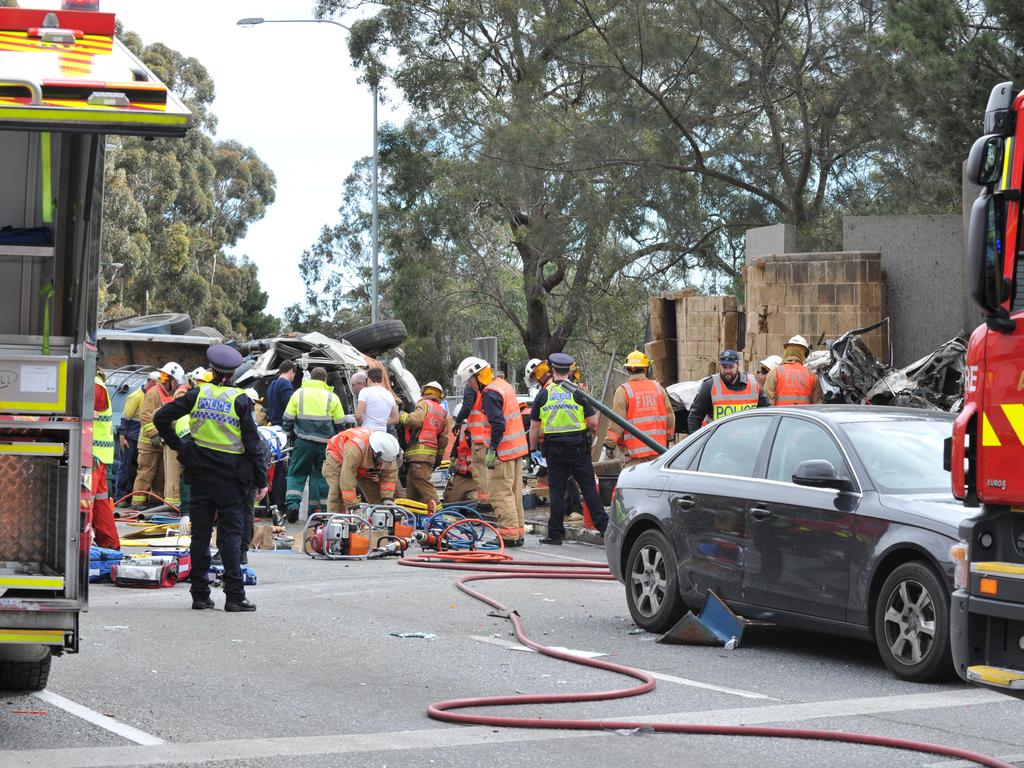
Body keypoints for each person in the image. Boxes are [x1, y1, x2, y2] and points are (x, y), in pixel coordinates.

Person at [154, 345, 267, 612]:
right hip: (231, 479)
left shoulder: (197, 394)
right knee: (230, 536)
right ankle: (234, 597)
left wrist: (180, 448)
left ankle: (200, 595)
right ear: (234, 373)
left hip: (201, 476)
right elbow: (253, 444)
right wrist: (262, 480)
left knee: (200, 537)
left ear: (212, 371)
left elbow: (161, 417)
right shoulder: (241, 401)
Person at [530, 353, 608, 545]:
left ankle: (555, 533)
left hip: (554, 450)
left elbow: (534, 427)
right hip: (578, 448)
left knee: (557, 491)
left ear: (552, 370)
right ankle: (605, 529)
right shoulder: (578, 393)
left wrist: (533, 450)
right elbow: (593, 422)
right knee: (588, 488)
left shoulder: (544, 394)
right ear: (570, 371)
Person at [460, 356, 528, 547]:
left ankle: (508, 535)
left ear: (477, 377)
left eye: (470, 380)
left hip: (502, 453)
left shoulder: (490, 393)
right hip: (515, 451)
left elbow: (498, 424)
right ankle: (517, 532)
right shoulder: (503, 385)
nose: (470, 385)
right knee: (514, 494)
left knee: (500, 494)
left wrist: (492, 449)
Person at [282, 367, 344, 523]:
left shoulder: (299, 394)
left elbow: (287, 419)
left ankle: (293, 505)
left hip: (303, 443)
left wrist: (289, 434)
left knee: (297, 473)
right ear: (324, 381)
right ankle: (321, 511)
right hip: (326, 445)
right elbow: (340, 424)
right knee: (322, 476)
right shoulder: (332, 397)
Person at [604, 350, 675, 466]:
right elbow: (670, 416)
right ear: (646, 368)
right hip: (658, 454)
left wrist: (610, 444)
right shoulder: (658, 388)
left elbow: (617, 422)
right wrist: (668, 438)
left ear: (628, 369)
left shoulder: (623, 391)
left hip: (634, 459)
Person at [131, 362, 184, 509]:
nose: (176, 385)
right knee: (146, 473)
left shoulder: (170, 395)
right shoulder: (154, 392)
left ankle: (156, 501)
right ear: (168, 379)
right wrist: (154, 434)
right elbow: (146, 417)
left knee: (161, 477)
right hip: (149, 443)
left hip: (162, 442)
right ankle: (137, 502)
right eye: (175, 381)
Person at [687, 349, 769, 432]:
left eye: (731, 367)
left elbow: (767, 414)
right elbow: (694, 418)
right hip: (719, 441)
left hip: (749, 440)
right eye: (724, 367)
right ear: (720, 366)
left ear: (738, 365)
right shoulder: (709, 385)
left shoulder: (754, 384)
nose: (727, 371)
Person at [398, 381, 452, 505]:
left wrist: (399, 415)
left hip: (418, 454)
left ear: (425, 392)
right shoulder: (443, 413)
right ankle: (414, 516)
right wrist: (437, 458)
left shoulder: (424, 405)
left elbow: (415, 420)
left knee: (423, 485)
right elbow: (443, 440)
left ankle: (438, 512)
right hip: (428, 456)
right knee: (413, 490)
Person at [323, 426, 399, 511]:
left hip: (363, 461)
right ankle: (337, 520)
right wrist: (354, 507)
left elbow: (389, 476)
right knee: (337, 491)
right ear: (376, 454)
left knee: (375, 493)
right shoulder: (354, 449)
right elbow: (347, 480)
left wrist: (387, 499)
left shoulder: (389, 455)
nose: (385, 466)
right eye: (383, 462)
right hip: (337, 455)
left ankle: (380, 515)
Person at [115, 371, 158, 505]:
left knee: (136, 469)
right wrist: (122, 437)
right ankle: (119, 497)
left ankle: (130, 495)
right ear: (151, 382)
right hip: (130, 438)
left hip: (140, 438)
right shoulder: (136, 396)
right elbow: (126, 417)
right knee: (125, 467)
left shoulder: (152, 397)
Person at [91, 372, 120, 550]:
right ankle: (110, 546)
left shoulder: (95, 387)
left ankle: (82, 546)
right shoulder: (98, 385)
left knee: (84, 503)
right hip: (98, 456)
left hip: (92, 455)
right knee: (100, 503)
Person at [764, 335, 823, 406]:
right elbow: (818, 404)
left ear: (787, 351)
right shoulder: (812, 375)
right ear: (804, 354)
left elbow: (768, 402)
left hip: (782, 416)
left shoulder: (775, 372)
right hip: (803, 416)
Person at [356, 367, 399, 432]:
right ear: (381, 380)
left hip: (367, 432)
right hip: (382, 432)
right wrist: (381, 422)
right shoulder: (389, 395)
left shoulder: (364, 391)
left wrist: (359, 423)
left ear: (369, 379)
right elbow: (395, 419)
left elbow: (358, 415)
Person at [443, 425, 478, 503]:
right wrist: (453, 458)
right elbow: (457, 444)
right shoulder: (464, 428)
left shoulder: (488, 426)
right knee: (450, 501)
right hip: (462, 474)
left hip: (478, 476)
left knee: (479, 502)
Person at [265, 360, 295, 427]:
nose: (293, 378)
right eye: (294, 374)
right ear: (291, 370)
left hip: (273, 424)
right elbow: (291, 405)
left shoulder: (272, 384)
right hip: (282, 425)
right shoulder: (285, 383)